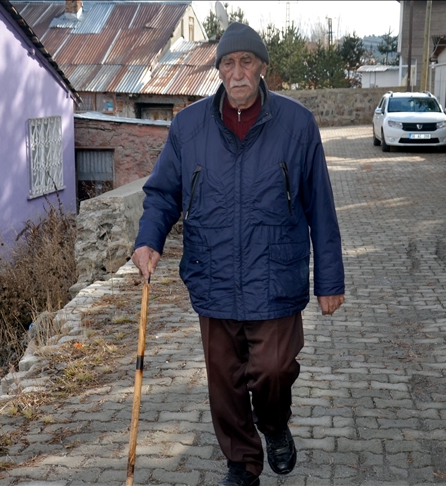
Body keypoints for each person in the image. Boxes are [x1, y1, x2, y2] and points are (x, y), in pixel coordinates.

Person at [132, 22, 345, 486]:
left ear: (263, 67)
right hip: (214, 274)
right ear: (218, 71)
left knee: (273, 369)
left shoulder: (297, 125)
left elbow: (320, 207)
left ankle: (273, 425)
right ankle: (242, 464)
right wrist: (149, 240)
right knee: (225, 382)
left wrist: (331, 280)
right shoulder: (188, 128)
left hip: (276, 275)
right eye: (228, 63)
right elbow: (163, 193)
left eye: (246, 61)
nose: (237, 72)